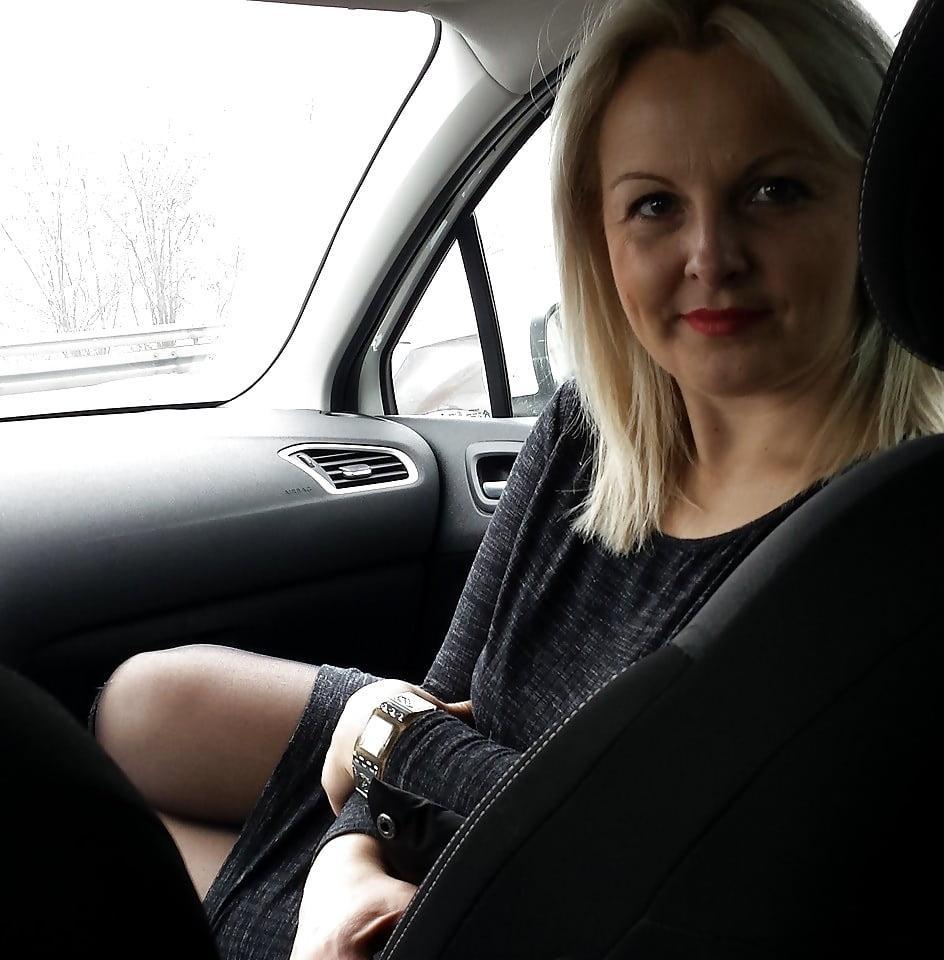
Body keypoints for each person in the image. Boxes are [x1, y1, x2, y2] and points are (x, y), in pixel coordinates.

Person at [88, 1, 944, 958]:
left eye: (775, 191)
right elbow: (440, 694)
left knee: (78, 869)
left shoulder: (884, 545)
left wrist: (387, 738)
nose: (712, 257)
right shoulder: (583, 432)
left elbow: (657, 858)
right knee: (142, 707)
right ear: (597, 233)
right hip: (411, 852)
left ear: (871, 205)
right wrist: (345, 862)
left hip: (513, 921)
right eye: (655, 205)